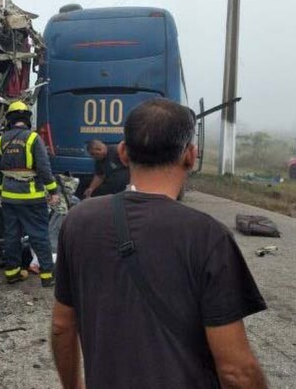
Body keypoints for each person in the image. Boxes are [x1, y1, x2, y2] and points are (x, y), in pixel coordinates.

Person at [52, 99, 267, 389]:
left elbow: (61, 327)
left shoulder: (78, 221)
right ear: (190, 156)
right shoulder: (207, 236)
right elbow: (236, 371)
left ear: (124, 153)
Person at [0, 101, 60, 287]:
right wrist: (53, 190)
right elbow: (44, 168)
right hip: (32, 198)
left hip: (9, 198)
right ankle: (47, 276)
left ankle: (12, 273)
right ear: (27, 119)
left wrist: (1, 191)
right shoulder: (33, 139)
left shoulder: (0, 141)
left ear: (10, 120)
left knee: (12, 235)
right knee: (39, 235)